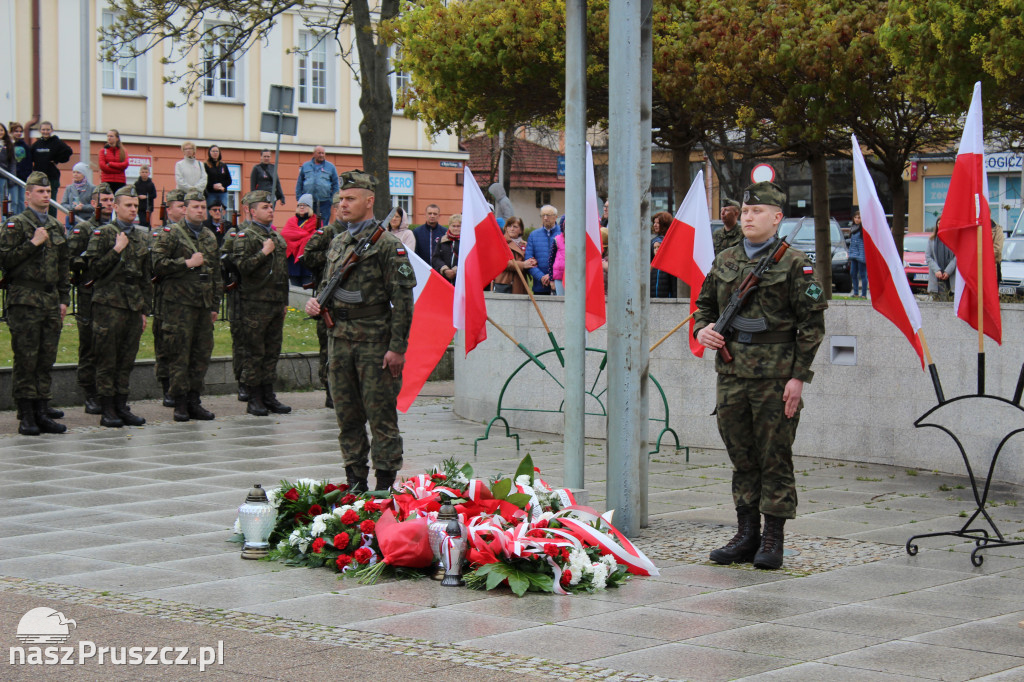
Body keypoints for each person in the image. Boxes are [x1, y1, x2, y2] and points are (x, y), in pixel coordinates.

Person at [694, 181, 827, 570]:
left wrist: (798, 377)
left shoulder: (794, 263)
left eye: (757, 212)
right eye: (746, 212)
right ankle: (746, 533)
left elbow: (812, 325)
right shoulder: (726, 259)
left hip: (775, 376)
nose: (748, 217)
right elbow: (703, 305)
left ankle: (773, 539)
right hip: (732, 373)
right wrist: (704, 329)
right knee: (742, 457)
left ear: (777, 217)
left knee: (775, 458)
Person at [303, 171, 415, 492]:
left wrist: (397, 348)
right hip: (339, 341)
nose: (343, 206)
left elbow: (403, 301)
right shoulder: (338, 242)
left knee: (381, 418)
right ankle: (355, 480)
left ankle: (384, 484)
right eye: (340, 200)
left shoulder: (388, 247)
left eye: (350, 199)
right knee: (347, 417)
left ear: (369, 202)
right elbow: (327, 286)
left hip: (375, 344)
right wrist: (316, 305)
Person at [0, 171, 71, 435]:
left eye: (48, 192)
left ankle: (42, 410)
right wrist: (32, 243)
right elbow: (4, 260)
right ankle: (26, 414)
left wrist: (64, 298)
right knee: (26, 359)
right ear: (28, 194)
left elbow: (64, 267)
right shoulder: (15, 225)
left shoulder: (56, 225)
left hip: (50, 300)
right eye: (40, 192)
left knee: (45, 358)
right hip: (25, 300)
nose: (45, 195)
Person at [84, 185, 152, 428]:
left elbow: (146, 277)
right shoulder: (102, 234)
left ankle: (122, 405)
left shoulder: (142, 236)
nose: (133, 209)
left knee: (126, 359)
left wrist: (144, 309)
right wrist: (116, 249)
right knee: (107, 358)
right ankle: (107, 408)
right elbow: (93, 270)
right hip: (108, 304)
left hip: (132, 305)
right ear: (115, 207)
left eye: (136, 206)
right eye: (128, 205)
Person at [152, 189, 223, 421]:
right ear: (185, 209)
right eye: (195, 207)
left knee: (201, 354)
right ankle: (179, 403)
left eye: (203, 207)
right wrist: (187, 263)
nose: (200, 211)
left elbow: (215, 274)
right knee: (179, 354)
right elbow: (157, 264)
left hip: (202, 305)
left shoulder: (209, 236)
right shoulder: (171, 233)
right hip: (178, 305)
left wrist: (214, 305)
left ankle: (194, 400)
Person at [223, 190, 292, 416]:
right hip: (254, 303)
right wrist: (263, 253)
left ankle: (268, 394)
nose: (270, 210)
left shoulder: (277, 237)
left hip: (274, 303)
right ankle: (253, 397)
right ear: (252, 211)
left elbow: (282, 273)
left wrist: (284, 302)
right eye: (265, 207)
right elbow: (242, 266)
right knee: (255, 352)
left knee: (272, 351)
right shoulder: (246, 236)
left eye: (271, 206)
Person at [69, 183, 115, 415]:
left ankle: (108, 391)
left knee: (110, 345)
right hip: (90, 293)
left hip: (112, 295)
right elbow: (71, 257)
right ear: (94, 203)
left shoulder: (118, 228)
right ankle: (89, 392)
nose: (108, 204)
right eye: (104, 200)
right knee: (89, 344)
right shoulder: (85, 228)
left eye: (110, 200)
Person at [300, 191, 343, 408]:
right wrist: (331, 256)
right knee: (327, 348)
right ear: (335, 209)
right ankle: (329, 390)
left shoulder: (362, 233)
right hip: (327, 296)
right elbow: (306, 256)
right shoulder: (328, 232)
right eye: (341, 204)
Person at [153, 189, 188, 407]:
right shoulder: (159, 234)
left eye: (186, 206)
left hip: (184, 299)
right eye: (180, 206)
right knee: (165, 346)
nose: (184, 209)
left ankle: (181, 390)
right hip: (163, 299)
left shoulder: (191, 234)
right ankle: (167, 388)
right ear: (169, 209)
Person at [30, 121, 73, 217]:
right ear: (40, 130)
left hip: (52, 177)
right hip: (38, 179)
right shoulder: (36, 144)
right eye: (43, 129)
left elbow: (68, 151)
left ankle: (52, 221)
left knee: (51, 201)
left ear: (52, 130)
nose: (45, 131)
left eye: (48, 129)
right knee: (38, 201)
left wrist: (57, 160)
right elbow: (30, 158)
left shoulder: (56, 142)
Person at [280, 194, 319, 286]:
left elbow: (315, 237)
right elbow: (285, 234)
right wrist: (303, 237)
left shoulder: (316, 221)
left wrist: (302, 237)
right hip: (292, 261)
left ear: (310, 207)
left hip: (306, 261)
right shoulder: (291, 221)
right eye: (299, 205)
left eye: (304, 205)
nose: (301, 207)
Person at [295, 146, 338, 227]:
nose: (321, 155)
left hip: (325, 202)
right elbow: (299, 183)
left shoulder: (331, 167)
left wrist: (332, 199)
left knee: (323, 225)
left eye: (323, 153)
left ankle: (321, 238)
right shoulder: (305, 166)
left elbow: (336, 184)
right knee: (307, 223)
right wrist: (299, 198)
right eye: (319, 153)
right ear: (313, 154)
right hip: (308, 202)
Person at [491, 216, 535, 294]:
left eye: (515, 227)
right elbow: (502, 262)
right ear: (506, 228)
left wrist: (532, 262)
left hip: (520, 283)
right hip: (505, 283)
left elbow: (530, 258)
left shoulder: (525, 244)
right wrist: (523, 265)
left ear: (520, 230)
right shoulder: (500, 242)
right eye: (509, 226)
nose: (512, 229)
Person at [524, 205, 561, 294]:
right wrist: (541, 277)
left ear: (555, 217)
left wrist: (552, 276)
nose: (545, 218)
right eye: (543, 215)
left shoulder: (563, 234)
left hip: (559, 284)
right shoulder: (533, 235)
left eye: (548, 215)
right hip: (540, 285)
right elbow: (529, 260)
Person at [927, 219, 957, 302]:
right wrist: (937, 270)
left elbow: (957, 257)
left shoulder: (953, 239)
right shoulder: (932, 240)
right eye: (938, 223)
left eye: (942, 223)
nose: (940, 225)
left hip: (950, 276)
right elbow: (928, 257)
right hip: (937, 276)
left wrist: (948, 271)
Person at [61, 162, 95, 228]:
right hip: (71, 221)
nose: (75, 174)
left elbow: (94, 206)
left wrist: (83, 207)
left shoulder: (92, 188)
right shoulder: (69, 188)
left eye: (78, 172)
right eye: (74, 172)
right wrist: (73, 207)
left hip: (86, 221)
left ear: (84, 174)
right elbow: (63, 204)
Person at [650, 211, 676, 299]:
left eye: (658, 223)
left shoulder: (671, 242)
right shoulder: (652, 241)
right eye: (654, 222)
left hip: (665, 287)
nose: (655, 225)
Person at [9, 122, 32, 215]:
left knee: (22, 200)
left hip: (22, 178)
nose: (18, 133)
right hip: (12, 178)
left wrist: (26, 174)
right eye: (16, 131)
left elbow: (28, 162)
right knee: (14, 201)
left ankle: (22, 219)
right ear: (11, 132)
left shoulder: (25, 146)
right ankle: (14, 219)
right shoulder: (9, 145)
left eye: (20, 131)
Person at [432, 213, 462, 282]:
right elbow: (436, 258)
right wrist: (444, 269)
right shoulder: (442, 240)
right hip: (444, 278)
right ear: (449, 226)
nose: (455, 228)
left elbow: (468, 260)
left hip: (460, 279)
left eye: (458, 226)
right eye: (453, 226)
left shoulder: (467, 242)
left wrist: (456, 270)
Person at [848, 210, 868, 298]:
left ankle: (863, 294)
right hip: (853, 254)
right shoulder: (853, 228)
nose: (857, 219)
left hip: (861, 254)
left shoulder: (864, 229)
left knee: (862, 274)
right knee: (853, 273)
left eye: (859, 218)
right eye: (855, 217)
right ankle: (856, 293)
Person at [0, 122, 15, 216]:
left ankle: (4, 220)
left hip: (3, 175)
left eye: (1, 130)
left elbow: (12, 162)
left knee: (3, 199)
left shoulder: (9, 144)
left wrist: (11, 178)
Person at [551, 216, 566, 295]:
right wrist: (551, 279)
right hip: (559, 276)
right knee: (561, 300)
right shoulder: (557, 240)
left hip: (574, 277)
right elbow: (551, 260)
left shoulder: (579, 240)